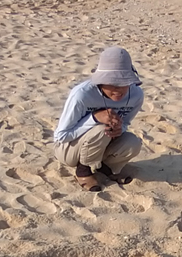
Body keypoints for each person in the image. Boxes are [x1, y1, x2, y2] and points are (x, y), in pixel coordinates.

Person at [54, 46, 143, 192]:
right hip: (68, 150)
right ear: (100, 81)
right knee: (102, 128)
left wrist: (120, 129)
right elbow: (61, 136)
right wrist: (94, 118)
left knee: (133, 142)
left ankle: (106, 169)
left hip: (101, 144)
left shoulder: (136, 95)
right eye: (112, 83)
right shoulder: (82, 95)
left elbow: (126, 122)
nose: (118, 90)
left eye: (124, 83)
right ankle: (83, 172)